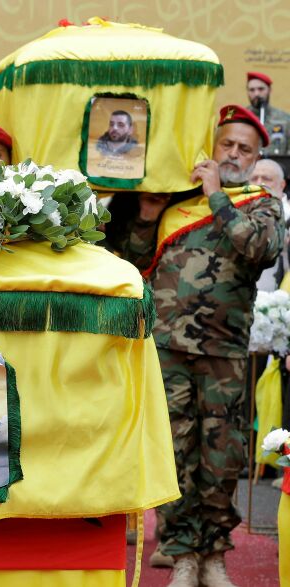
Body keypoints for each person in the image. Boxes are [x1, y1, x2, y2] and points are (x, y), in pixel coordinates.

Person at [122, 105, 284, 587]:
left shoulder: (261, 204)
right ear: (212, 146)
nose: (233, 154)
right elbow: (130, 267)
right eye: (226, 144)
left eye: (244, 149)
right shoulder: (175, 203)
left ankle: (214, 556)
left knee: (221, 459)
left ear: (256, 157)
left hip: (226, 355)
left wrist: (216, 196)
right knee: (175, 456)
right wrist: (149, 216)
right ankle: (181, 555)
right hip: (167, 350)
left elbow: (258, 249)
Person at [252, 159, 289, 292]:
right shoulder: (235, 211)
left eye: (266, 179)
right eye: (254, 178)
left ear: (282, 184)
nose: (259, 183)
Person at [246, 72, 290, 156]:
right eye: (252, 90)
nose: (256, 94)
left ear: (269, 90)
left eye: (261, 89)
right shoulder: (240, 118)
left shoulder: (285, 119)